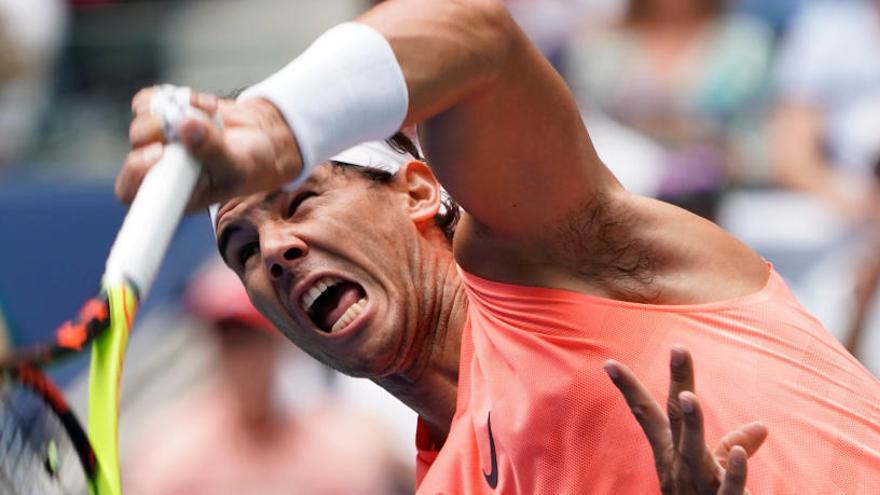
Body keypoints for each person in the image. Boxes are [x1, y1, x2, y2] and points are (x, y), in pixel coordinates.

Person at [117, 1, 880, 493]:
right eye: (243, 249)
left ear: (419, 190)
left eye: (301, 198)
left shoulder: (549, 257)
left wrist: (274, 127)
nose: (275, 249)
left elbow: (477, 36)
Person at [125, 261, 407, 495]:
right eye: (230, 342)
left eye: (252, 341)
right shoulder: (172, 450)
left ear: (279, 342)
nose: (243, 360)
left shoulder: (343, 442)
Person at [566, 0, 774, 218]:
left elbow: (760, 141)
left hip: (716, 203)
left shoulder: (747, 44)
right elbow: (585, 129)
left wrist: (719, 159)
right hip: (617, 204)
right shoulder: (598, 44)